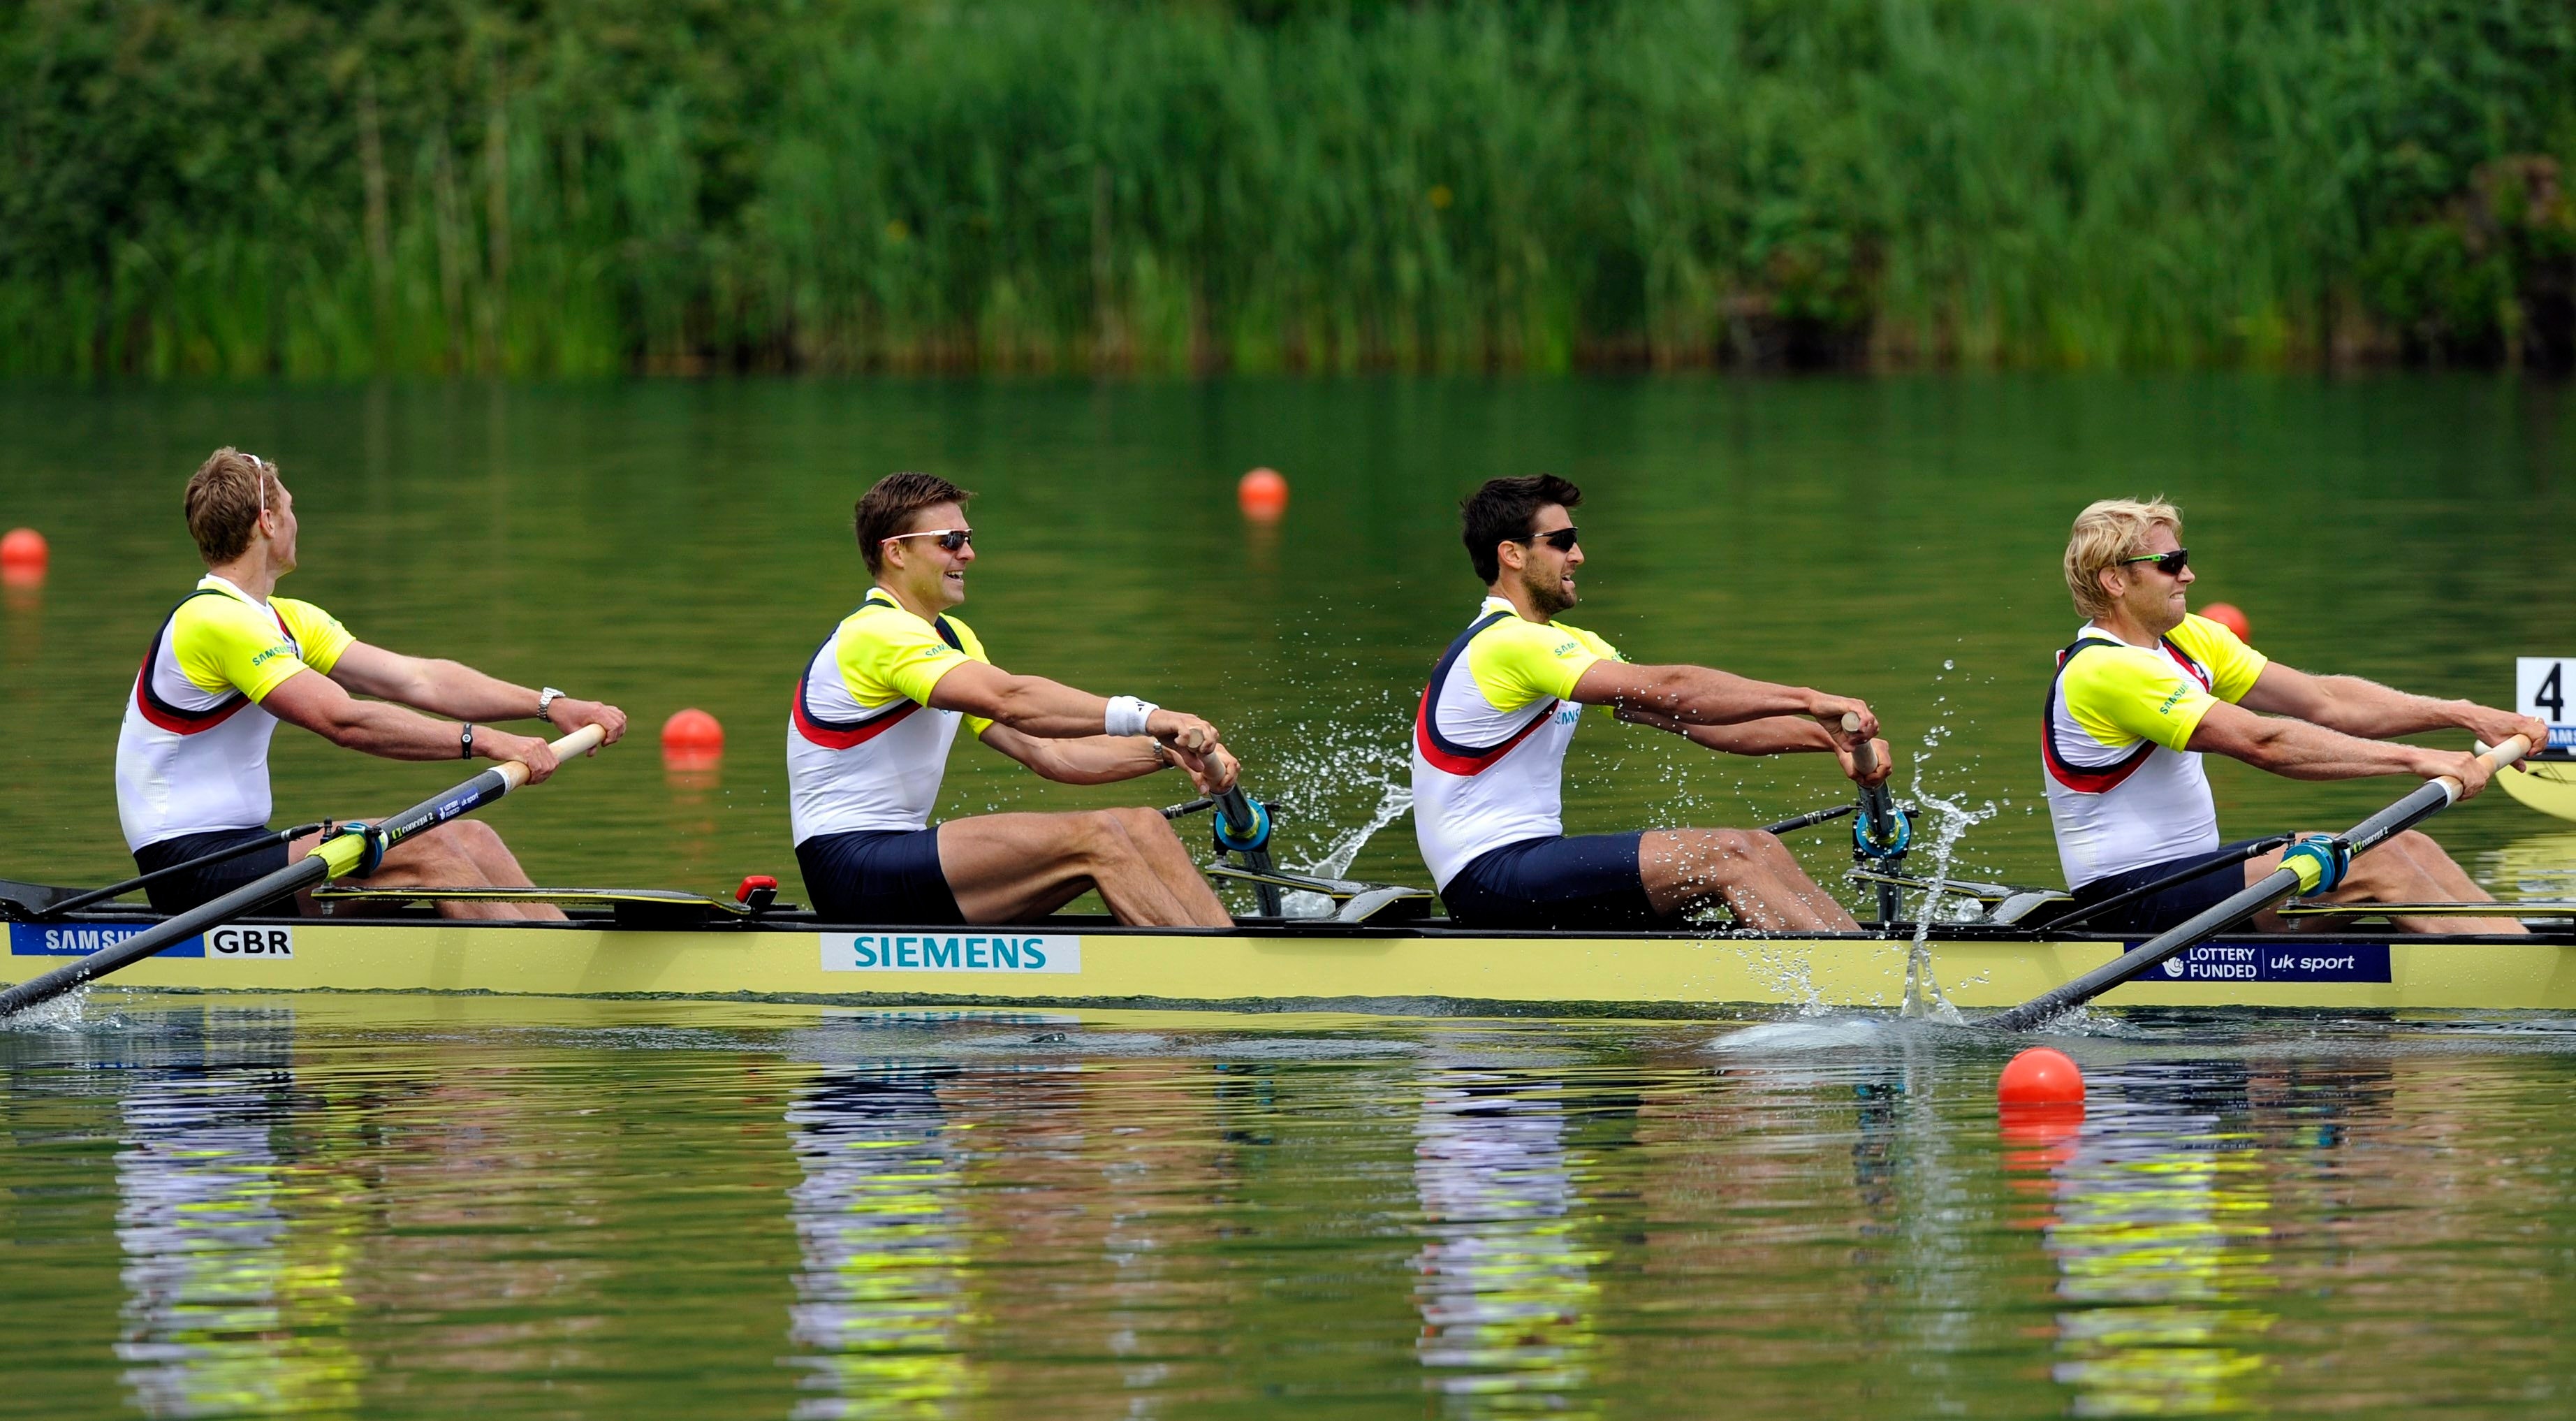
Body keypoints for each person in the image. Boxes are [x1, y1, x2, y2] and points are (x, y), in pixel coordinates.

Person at [117, 449, 628, 919]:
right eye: (290, 508)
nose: (297, 520)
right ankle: (526, 1000)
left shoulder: (288, 621)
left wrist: (549, 705)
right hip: (187, 867)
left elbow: (421, 680)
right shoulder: (213, 621)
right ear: (268, 522)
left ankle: (559, 970)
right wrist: (491, 742)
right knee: (428, 849)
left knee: (473, 837)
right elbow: (343, 721)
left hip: (247, 850)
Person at [2043, 497, 2548, 935]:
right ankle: (2518, 982)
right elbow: (2266, 743)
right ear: (2115, 580)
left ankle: (2524, 958)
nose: (2189, 574)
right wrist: (2417, 759)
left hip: (2197, 880)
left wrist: (2463, 714)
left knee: (2407, 842)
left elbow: (2326, 700)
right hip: (2127, 902)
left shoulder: (2189, 638)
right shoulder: (2104, 670)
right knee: (2382, 859)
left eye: (2185, 559)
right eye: (2170, 562)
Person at [1411, 475, 1891, 932]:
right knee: (1731, 854)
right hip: (1488, 878)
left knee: (1760, 849)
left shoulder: (1570, 643)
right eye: (1562, 541)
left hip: (1530, 867)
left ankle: (1856, 971)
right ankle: (1867, 993)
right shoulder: (1506, 642)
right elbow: (1676, 688)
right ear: (1512, 554)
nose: (1578, 555)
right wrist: (1808, 699)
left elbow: (1689, 717)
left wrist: (1829, 739)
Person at [790, 472, 1242, 927]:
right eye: (949, 540)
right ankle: (1209, 981)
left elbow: (1047, 750)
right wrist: (1148, 717)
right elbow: (1010, 699)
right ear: (896, 552)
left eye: (967, 537)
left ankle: (1235, 966)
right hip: (851, 870)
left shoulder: (952, 639)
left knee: (1145, 825)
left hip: (899, 863)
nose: (968, 553)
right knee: (1099, 836)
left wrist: (1166, 751)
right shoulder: (875, 632)